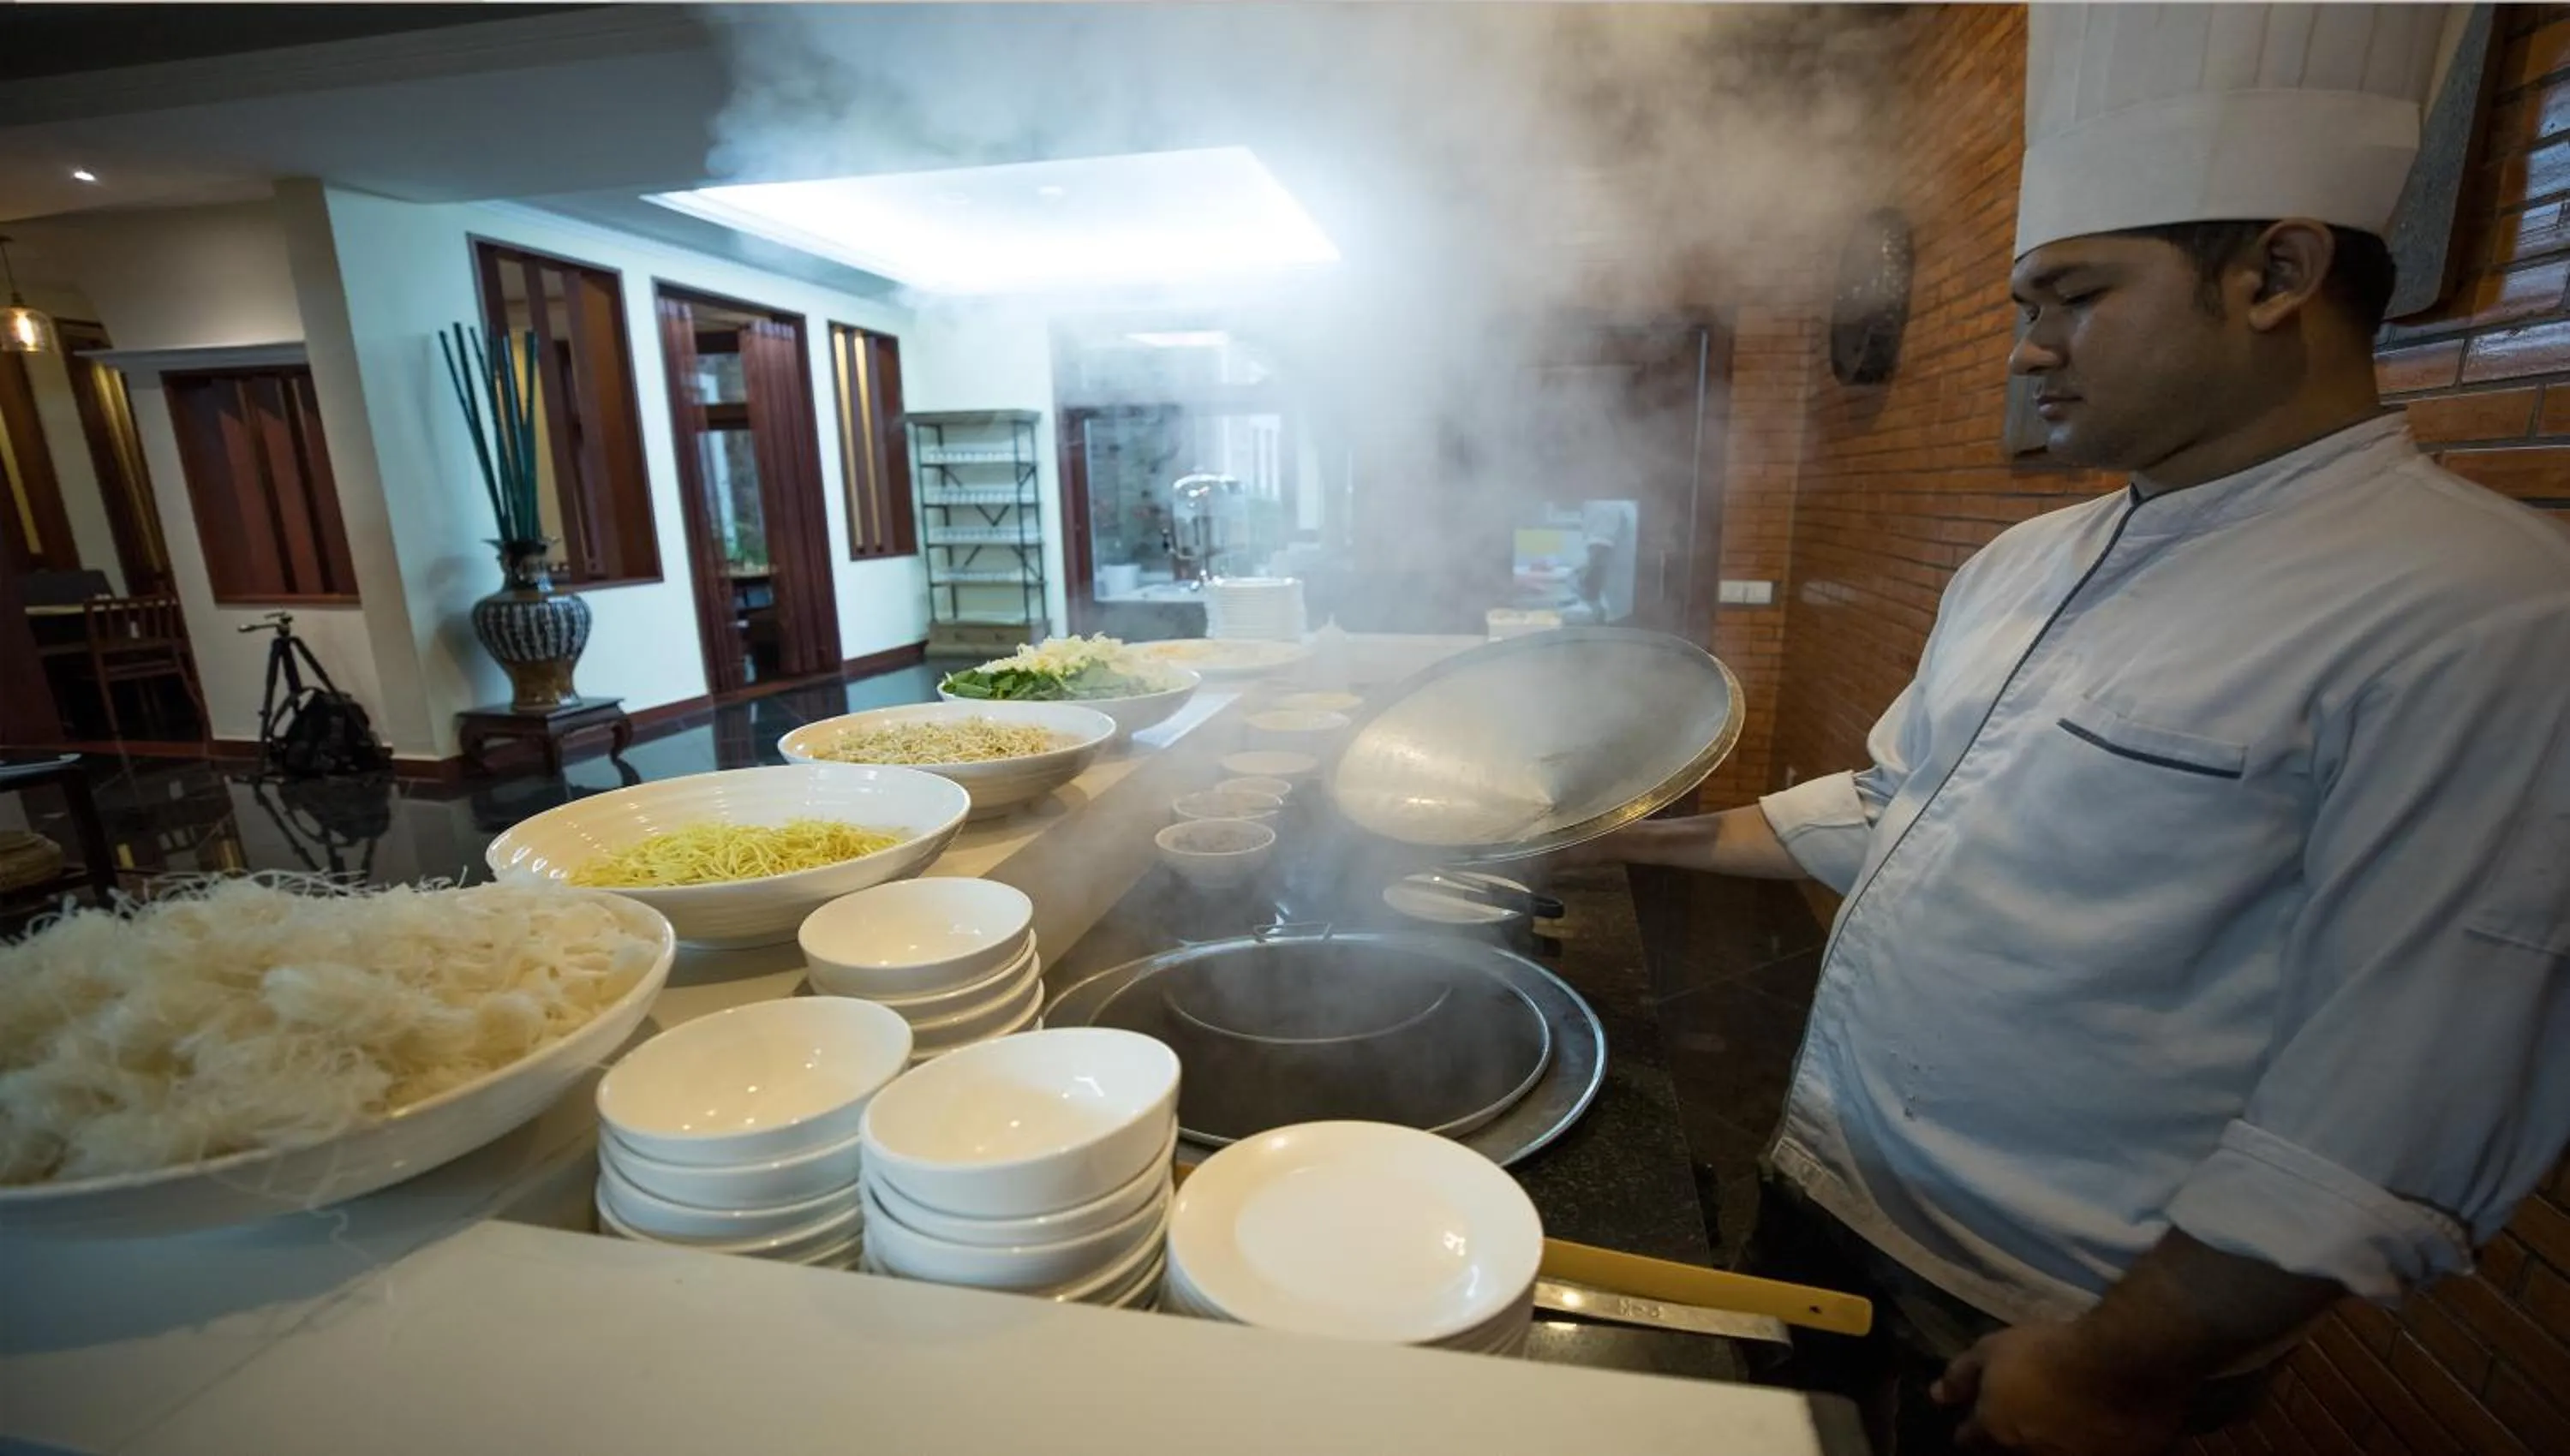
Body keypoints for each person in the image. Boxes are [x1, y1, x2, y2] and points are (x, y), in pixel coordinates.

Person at [1570, 6, 2570, 1453]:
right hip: (1825, 1190)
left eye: (2076, 296)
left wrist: (2116, 1367)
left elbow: (2398, 1098)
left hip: (2062, 1313)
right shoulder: (2029, 562)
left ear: (2277, 272)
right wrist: (1613, 835)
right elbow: (1907, 803)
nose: (2029, 352)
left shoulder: (2485, 615)